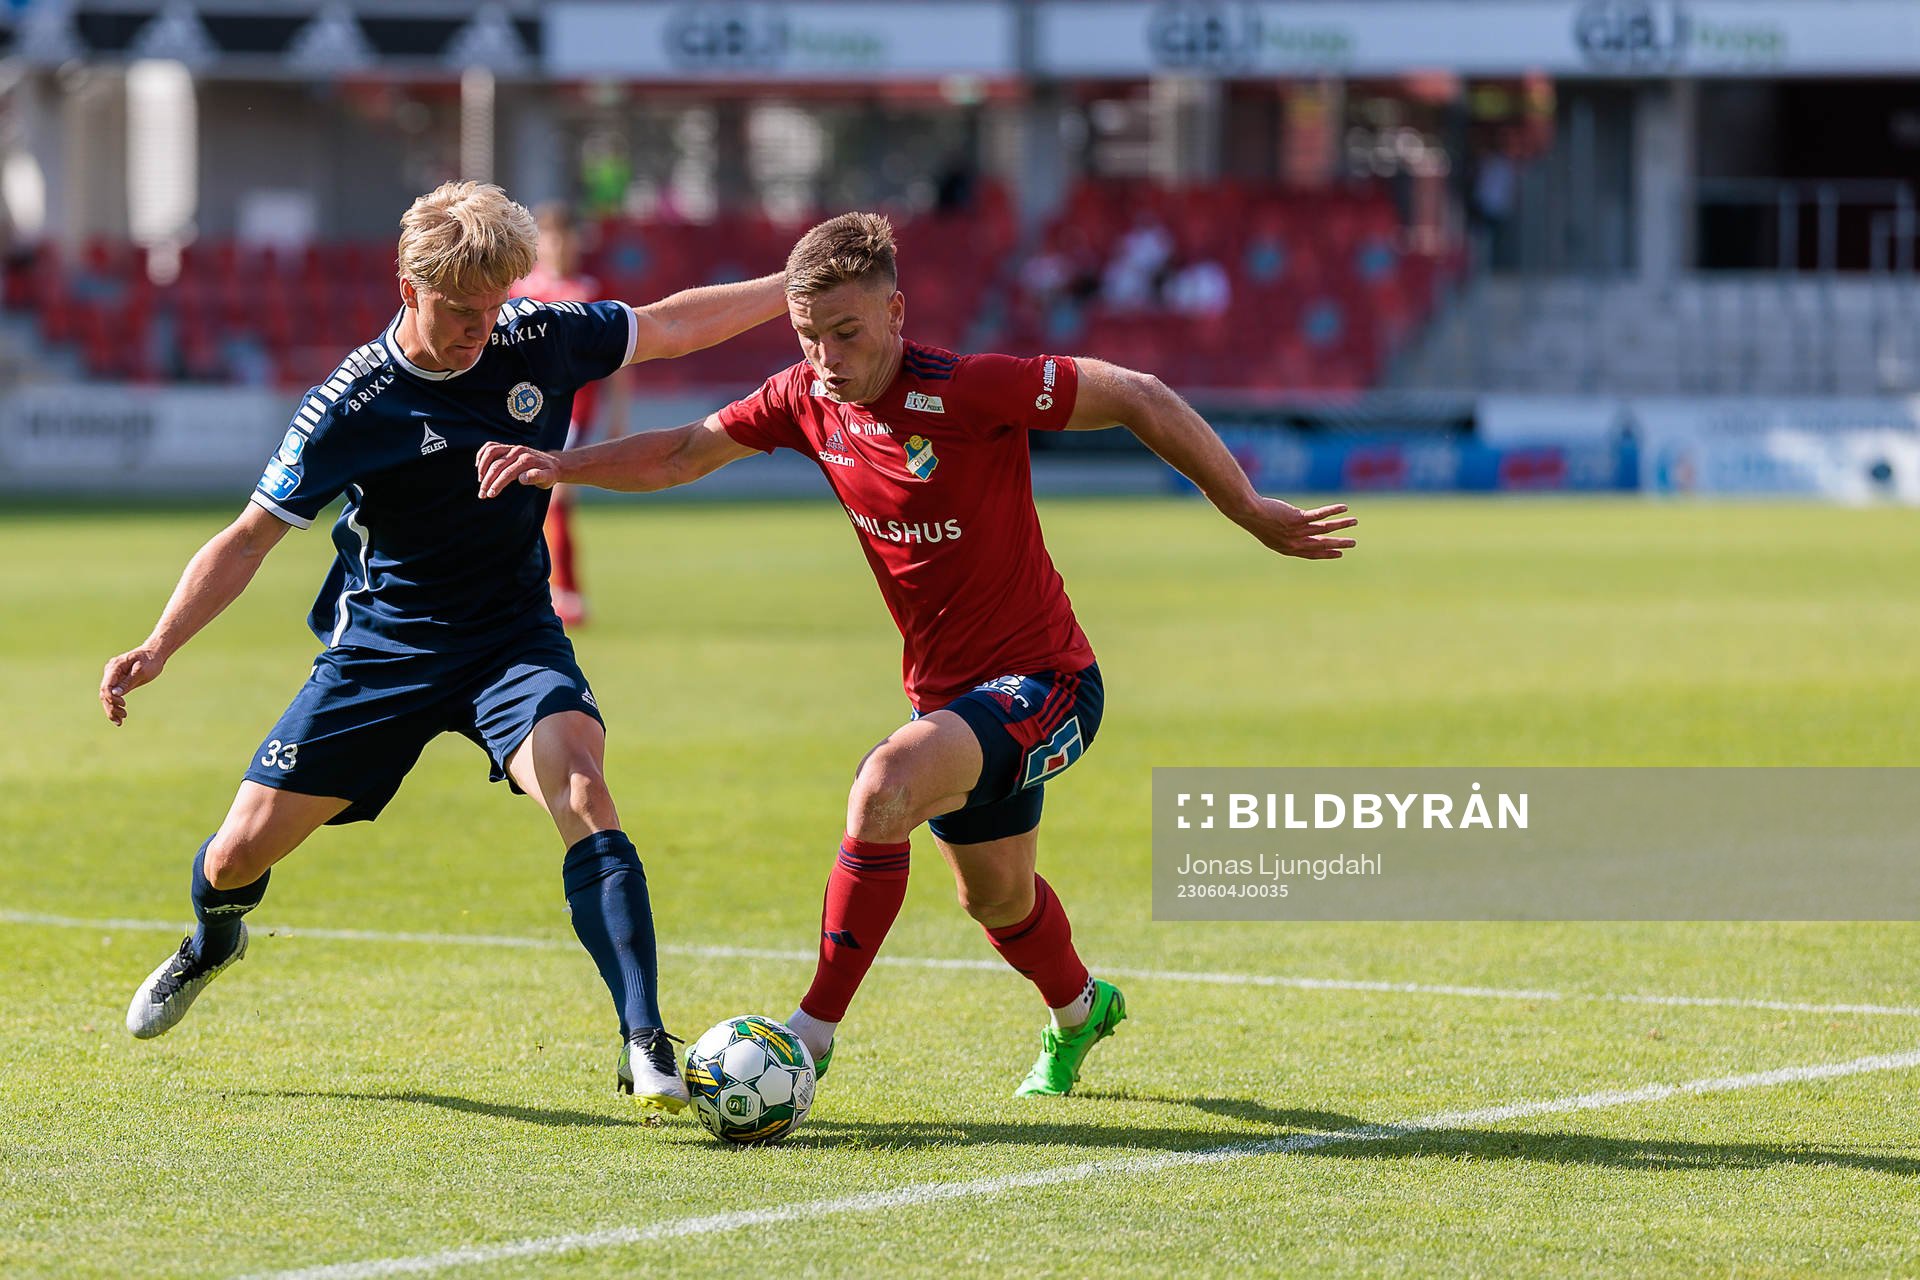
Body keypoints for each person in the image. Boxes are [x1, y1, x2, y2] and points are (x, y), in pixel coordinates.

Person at [476, 212, 1355, 1097]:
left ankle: (807, 1038)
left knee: (883, 786)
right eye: (809, 335)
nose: (826, 356)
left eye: (847, 332)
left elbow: (1138, 392)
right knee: (997, 899)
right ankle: (1082, 1010)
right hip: (950, 696)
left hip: (1049, 682)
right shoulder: (802, 399)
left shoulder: (971, 390)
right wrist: (559, 465)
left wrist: (1248, 509)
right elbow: (677, 453)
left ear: (897, 312)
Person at [101, 180, 787, 1113]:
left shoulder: (534, 336)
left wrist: (795, 286)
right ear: (406, 286)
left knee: (583, 787)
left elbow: (664, 325)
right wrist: (159, 645)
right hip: (383, 650)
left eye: (494, 305)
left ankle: (644, 1038)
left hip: (510, 639)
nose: (480, 329)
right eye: (461, 311)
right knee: (234, 859)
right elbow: (249, 537)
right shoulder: (353, 405)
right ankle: (215, 939)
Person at [516, 201, 630, 627]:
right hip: (522, 414)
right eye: (549, 236)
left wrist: (618, 416)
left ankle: (568, 594)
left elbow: (620, 360)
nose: (558, 245)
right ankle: (541, 591)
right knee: (529, 505)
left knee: (555, 498)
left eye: (564, 236)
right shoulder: (522, 292)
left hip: (571, 414)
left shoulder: (591, 292)